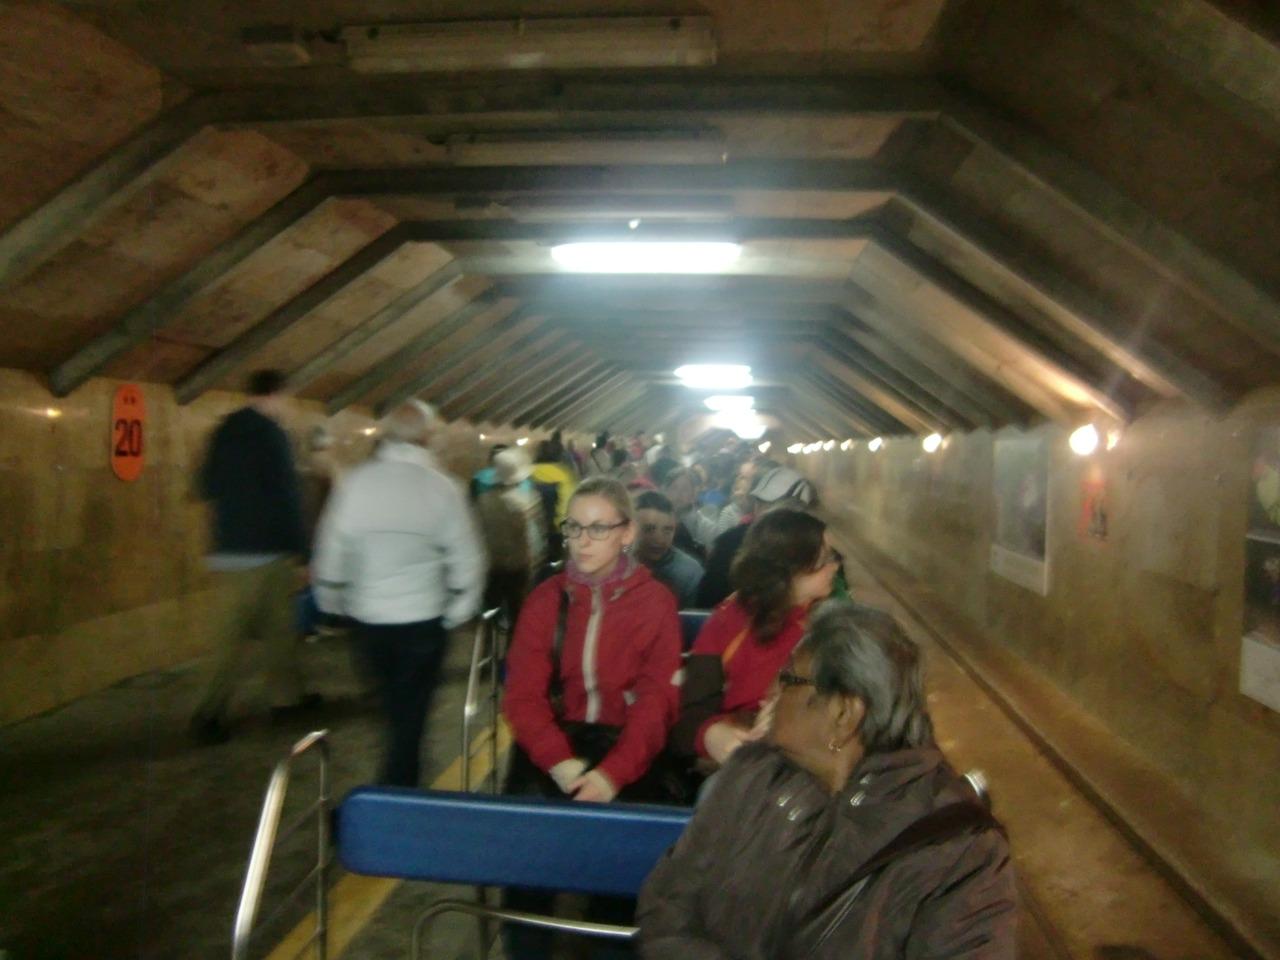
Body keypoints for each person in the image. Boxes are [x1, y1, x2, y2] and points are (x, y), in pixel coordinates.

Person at [639, 603, 1017, 959]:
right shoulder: (751, 773)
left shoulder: (960, 852)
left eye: (788, 679)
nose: (771, 691)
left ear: (843, 713)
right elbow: (666, 905)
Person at [502, 476, 683, 960]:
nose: (583, 541)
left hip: (626, 748)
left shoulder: (655, 602)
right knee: (525, 870)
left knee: (621, 881)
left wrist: (612, 774)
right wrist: (560, 763)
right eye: (574, 527)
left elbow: (657, 700)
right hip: (553, 745)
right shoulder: (547, 599)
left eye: (599, 528)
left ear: (627, 533)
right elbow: (523, 695)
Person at [312, 400, 486, 787]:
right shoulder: (443, 487)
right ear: (427, 437)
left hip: (369, 620)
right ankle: (397, 789)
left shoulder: (356, 483)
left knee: (393, 709)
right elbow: (467, 556)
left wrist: (331, 600)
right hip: (424, 619)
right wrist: (460, 608)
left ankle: (396, 783)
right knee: (412, 714)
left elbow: (332, 548)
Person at [188, 369, 318, 745]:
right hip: (268, 551)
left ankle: (285, 698)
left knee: (265, 631)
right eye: (287, 399)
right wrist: (304, 554)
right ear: (276, 394)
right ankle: (212, 713)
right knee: (262, 634)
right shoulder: (273, 434)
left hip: (229, 549)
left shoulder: (223, 430)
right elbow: (287, 497)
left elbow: (205, 486)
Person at [673, 508, 837, 770]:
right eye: (826, 558)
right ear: (792, 565)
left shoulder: (833, 625)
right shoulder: (731, 621)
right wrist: (711, 735)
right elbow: (691, 710)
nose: (835, 566)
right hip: (740, 759)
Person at [695, 465, 816, 608]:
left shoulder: (808, 551)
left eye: (769, 506)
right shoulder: (730, 544)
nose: (762, 511)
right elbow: (709, 599)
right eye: (760, 503)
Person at [475, 447, 547, 624]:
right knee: (518, 612)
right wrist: (537, 559)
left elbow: (476, 532)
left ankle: (487, 633)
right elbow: (535, 536)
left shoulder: (483, 499)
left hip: (491, 564)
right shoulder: (528, 500)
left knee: (491, 607)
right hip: (518, 564)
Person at [634, 491, 704, 608]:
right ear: (630, 529)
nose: (659, 539)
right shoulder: (614, 563)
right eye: (649, 529)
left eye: (668, 530)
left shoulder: (689, 573)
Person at [530, 439, 577, 564]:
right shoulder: (564, 473)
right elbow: (567, 501)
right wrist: (560, 524)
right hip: (556, 526)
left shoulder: (529, 473)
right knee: (556, 559)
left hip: (535, 527)